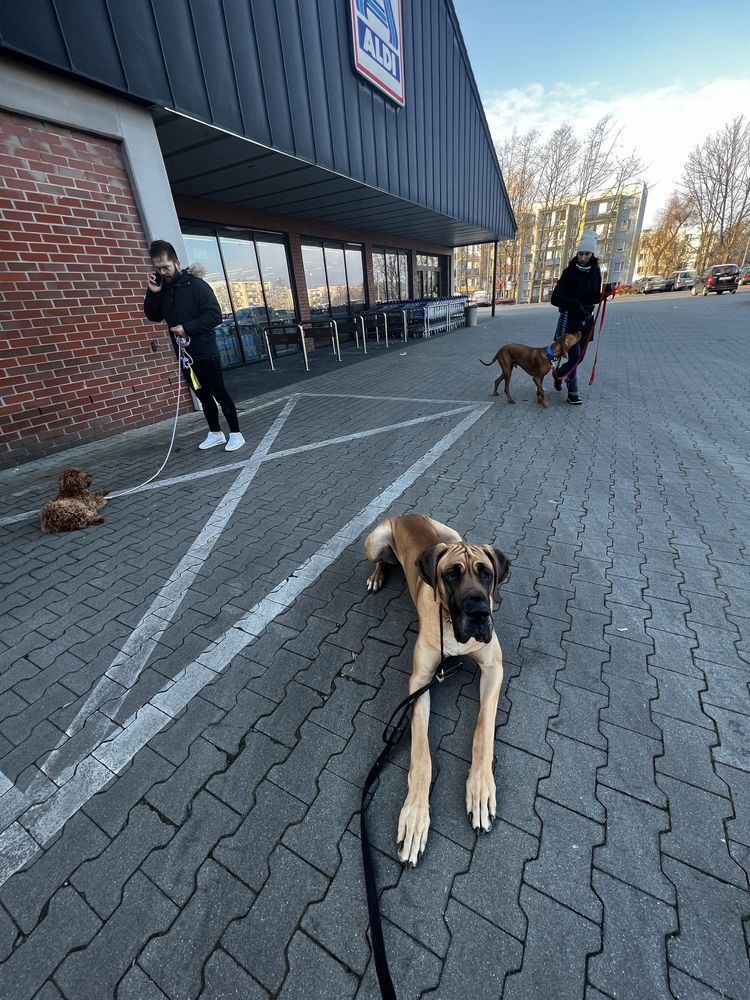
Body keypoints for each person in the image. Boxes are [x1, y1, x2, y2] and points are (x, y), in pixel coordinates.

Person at [143, 239, 245, 451]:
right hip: (185, 356)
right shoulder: (163, 290)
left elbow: (215, 315)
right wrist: (152, 292)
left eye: (166, 267)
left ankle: (236, 433)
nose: (163, 272)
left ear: (177, 264)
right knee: (202, 394)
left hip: (205, 352)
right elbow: (153, 316)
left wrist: (187, 328)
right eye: (158, 268)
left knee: (219, 392)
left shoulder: (197, 286)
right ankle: (215, 433)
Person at [550, 231, 602, 405]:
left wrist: (604, 294)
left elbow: (594, 297)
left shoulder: (596, 272)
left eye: (587, 254)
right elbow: (555, 298)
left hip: (586, 320)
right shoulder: (569, 272)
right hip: (570, 319)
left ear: (592, 254)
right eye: (580, 254)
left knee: (579, 358)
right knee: (574, 354)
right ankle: (573, 389)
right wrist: (573, 304)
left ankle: (560, 373)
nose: (583, 257)